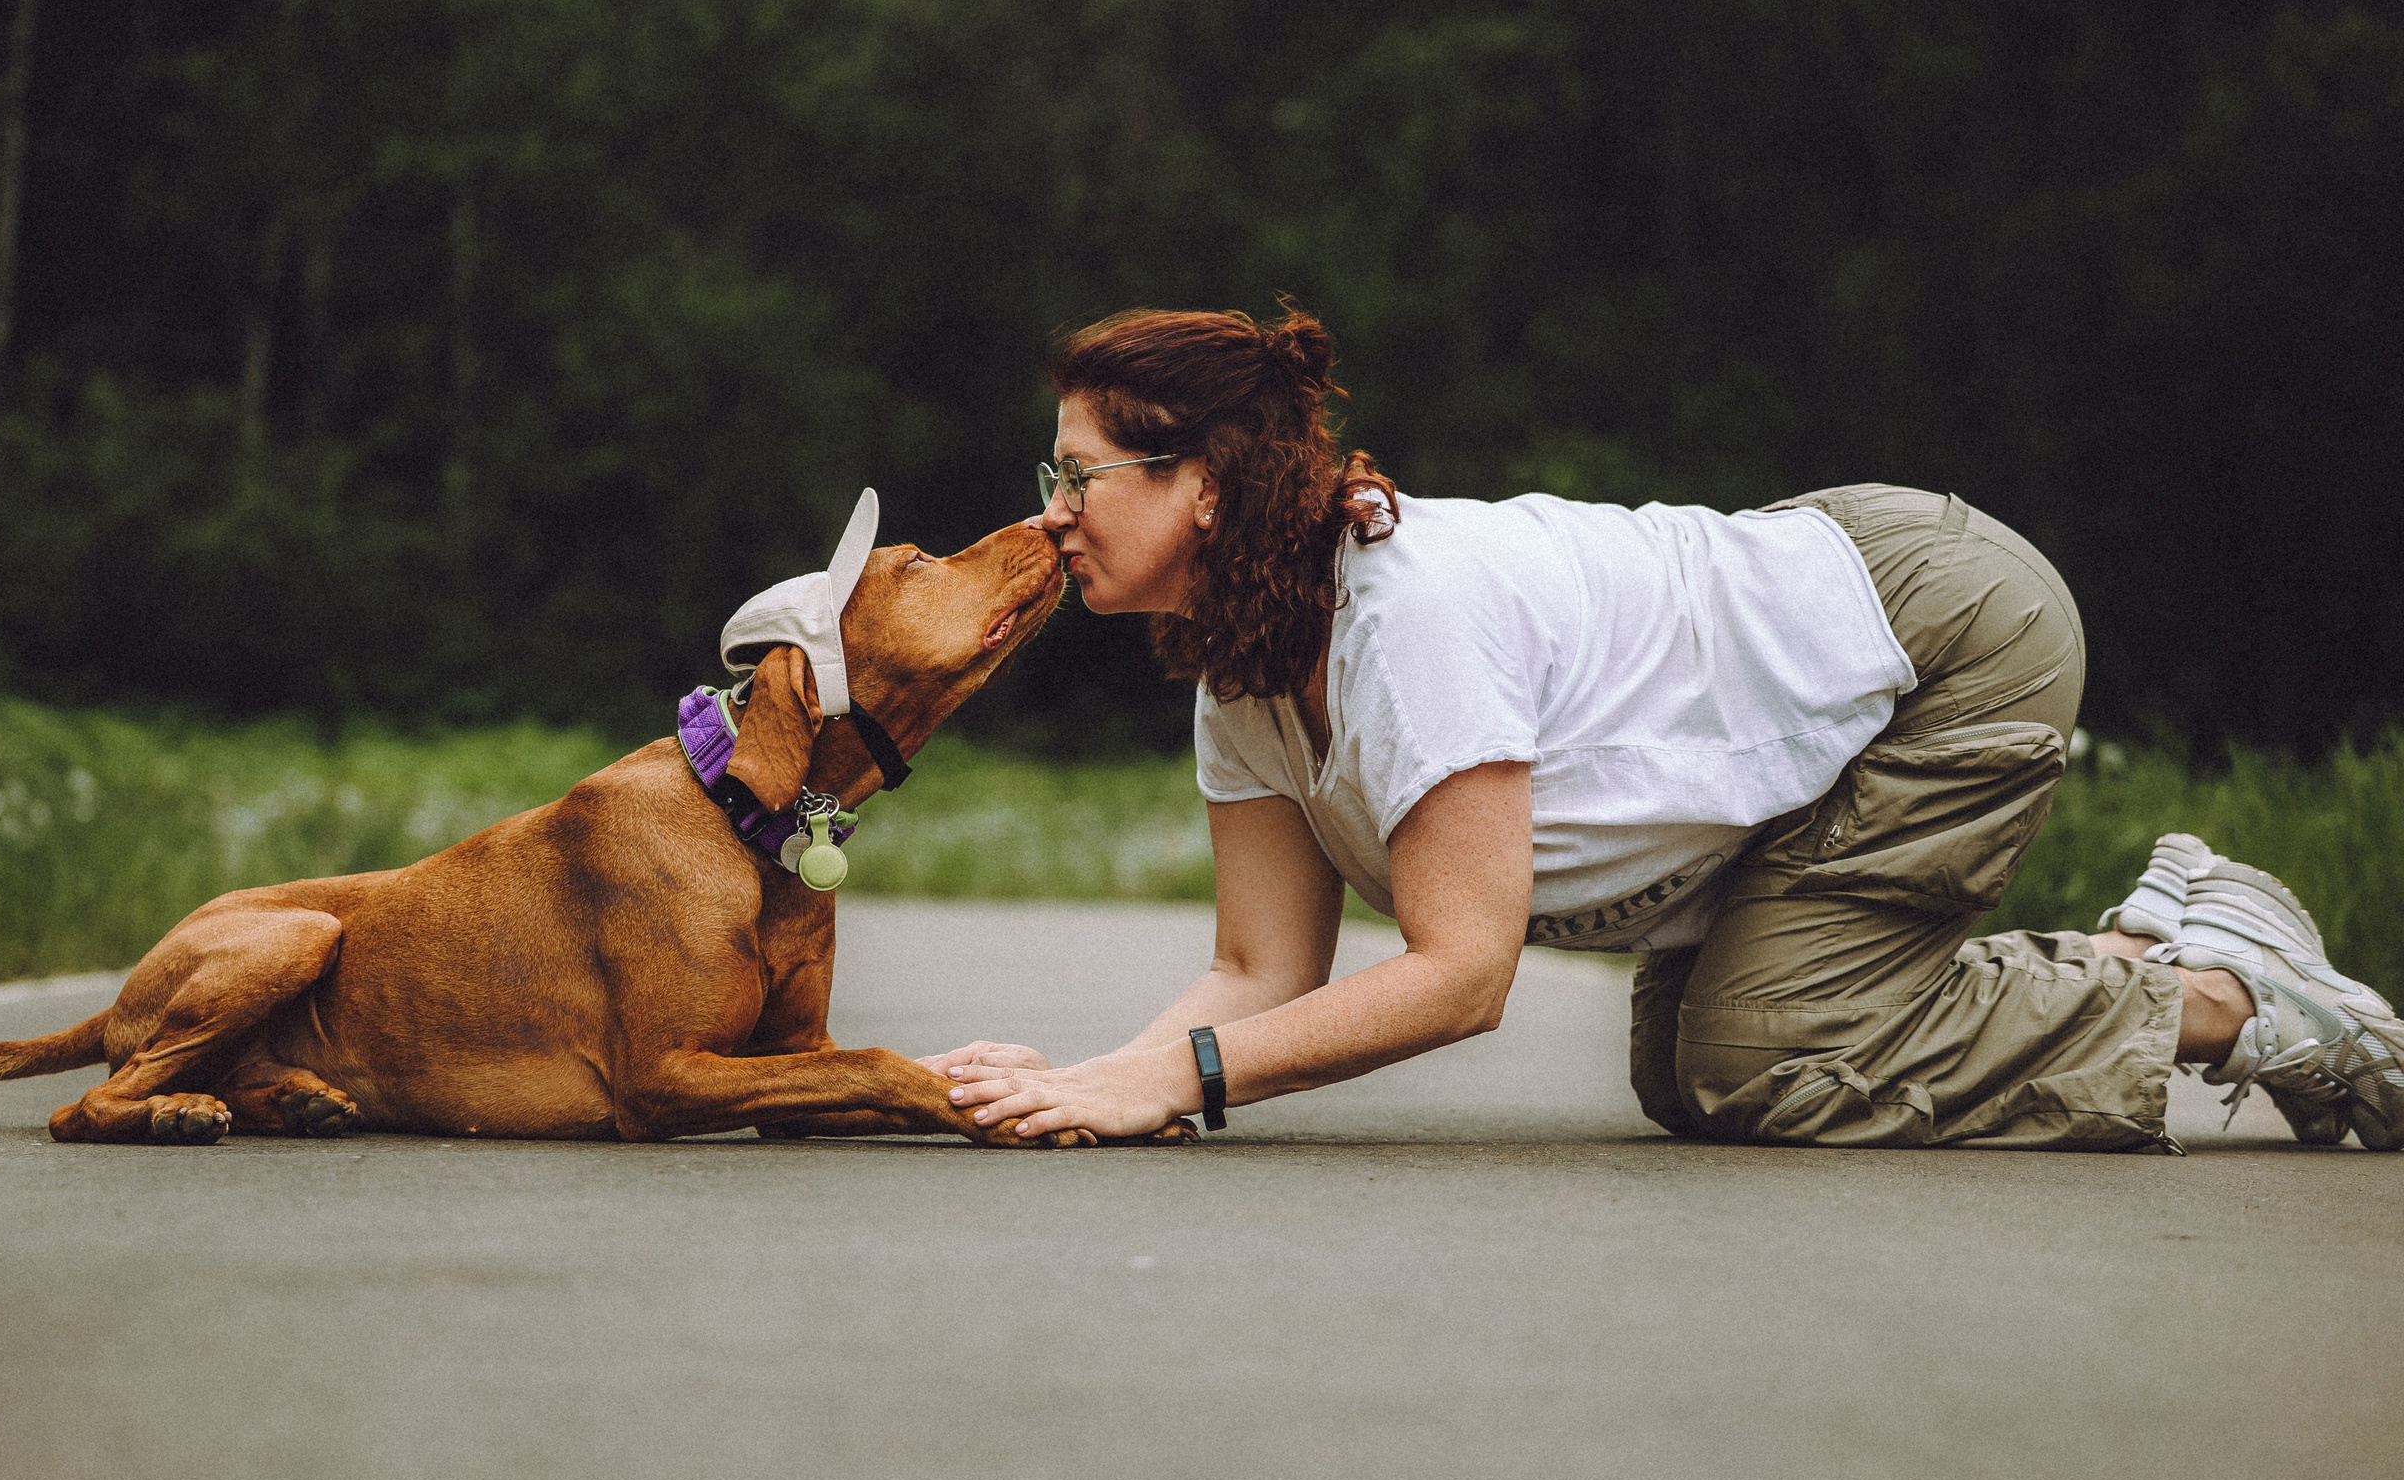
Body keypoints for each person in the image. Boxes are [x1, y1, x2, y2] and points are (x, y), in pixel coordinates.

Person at [919, 305, 2404, 1153]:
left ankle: (2228, 999)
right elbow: (1260, 968)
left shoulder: (1406, 618)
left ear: (1210, 487)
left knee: (1766, 1056)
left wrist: (1175, 1079)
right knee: (1689, 1079)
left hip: (1945, 637)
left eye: (1079, 477)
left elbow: (1461, 974)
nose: (1049, 517)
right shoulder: (1242, 667)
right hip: (1854, 614)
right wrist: (1105, 1078)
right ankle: (2162, 943)